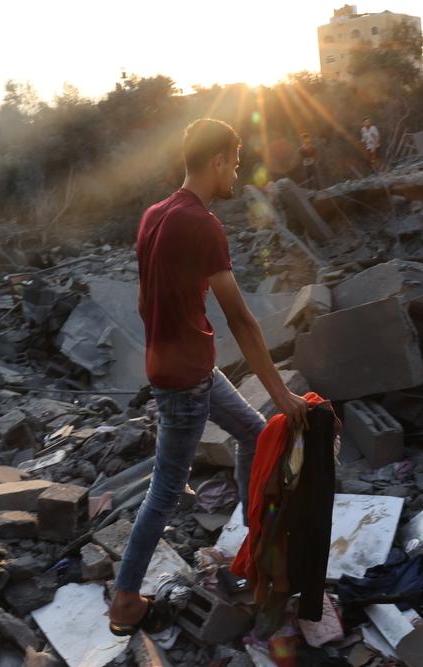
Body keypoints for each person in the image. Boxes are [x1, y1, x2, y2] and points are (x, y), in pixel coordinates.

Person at [108, 118, 309, 636]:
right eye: (235, 163)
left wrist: (178, 336)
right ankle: (126, 600)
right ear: (217, 159)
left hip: (187, 367)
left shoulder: (155, 215)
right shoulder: (202, 224)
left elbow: (143, 297)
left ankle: (249, 547)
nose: (237, 174)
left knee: (254, 434)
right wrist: (280, 392)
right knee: (166, 490)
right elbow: (241, 318)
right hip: (184, 379)